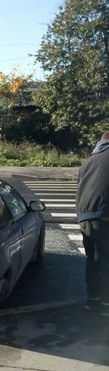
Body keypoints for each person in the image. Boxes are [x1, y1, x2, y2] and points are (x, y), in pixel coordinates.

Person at [76, 131, 109, 316]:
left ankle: (94, 299)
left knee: (93, 259)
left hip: (86, 217)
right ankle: (105, 304)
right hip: (104, 216)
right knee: (106, 261)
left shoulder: (89, 161)